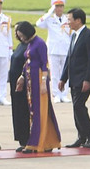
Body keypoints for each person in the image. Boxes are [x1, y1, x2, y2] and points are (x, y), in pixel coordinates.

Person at [16, 22, 61, 154]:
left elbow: (44, 64)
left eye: (22, 35)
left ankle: (37, 142)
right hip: (30, 79)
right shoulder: (29, 44)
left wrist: (43, 82)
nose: (21, 38)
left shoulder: (40, 43)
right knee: (33, 110)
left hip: (38, 78)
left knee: (39, 111)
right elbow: (28, 62)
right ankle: (46, 140)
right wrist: (22, 76)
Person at [60, 8, 90, 148]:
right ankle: (81, 136)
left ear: (78, 20)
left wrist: (88, 79)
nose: (68, 22)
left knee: (79, 106)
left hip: (83, 79)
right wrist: (63, 78)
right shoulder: (74, 35)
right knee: (76, 108)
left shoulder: (88, 35)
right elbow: (69, 58)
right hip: (73, 79)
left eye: (69, 19)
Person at [36, 0, 72, 103]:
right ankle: (56, 94)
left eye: (61, 6)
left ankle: (64, 94)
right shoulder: (50, 20)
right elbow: (39, 23)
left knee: (66, 73)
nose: (59, 9)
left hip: (65, 49)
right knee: (55, 74)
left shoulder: (67, 19)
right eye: (57, 6)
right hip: (54, 50)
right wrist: (49, 12)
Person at [8, 24, 30, 149]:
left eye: (19, 31)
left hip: (24, 86)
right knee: (18, 112)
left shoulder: (29, 46)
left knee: (24, 112)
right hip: (15, 86)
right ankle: (22, 138)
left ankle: (27, 138)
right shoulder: (20, 46)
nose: (17, 34)